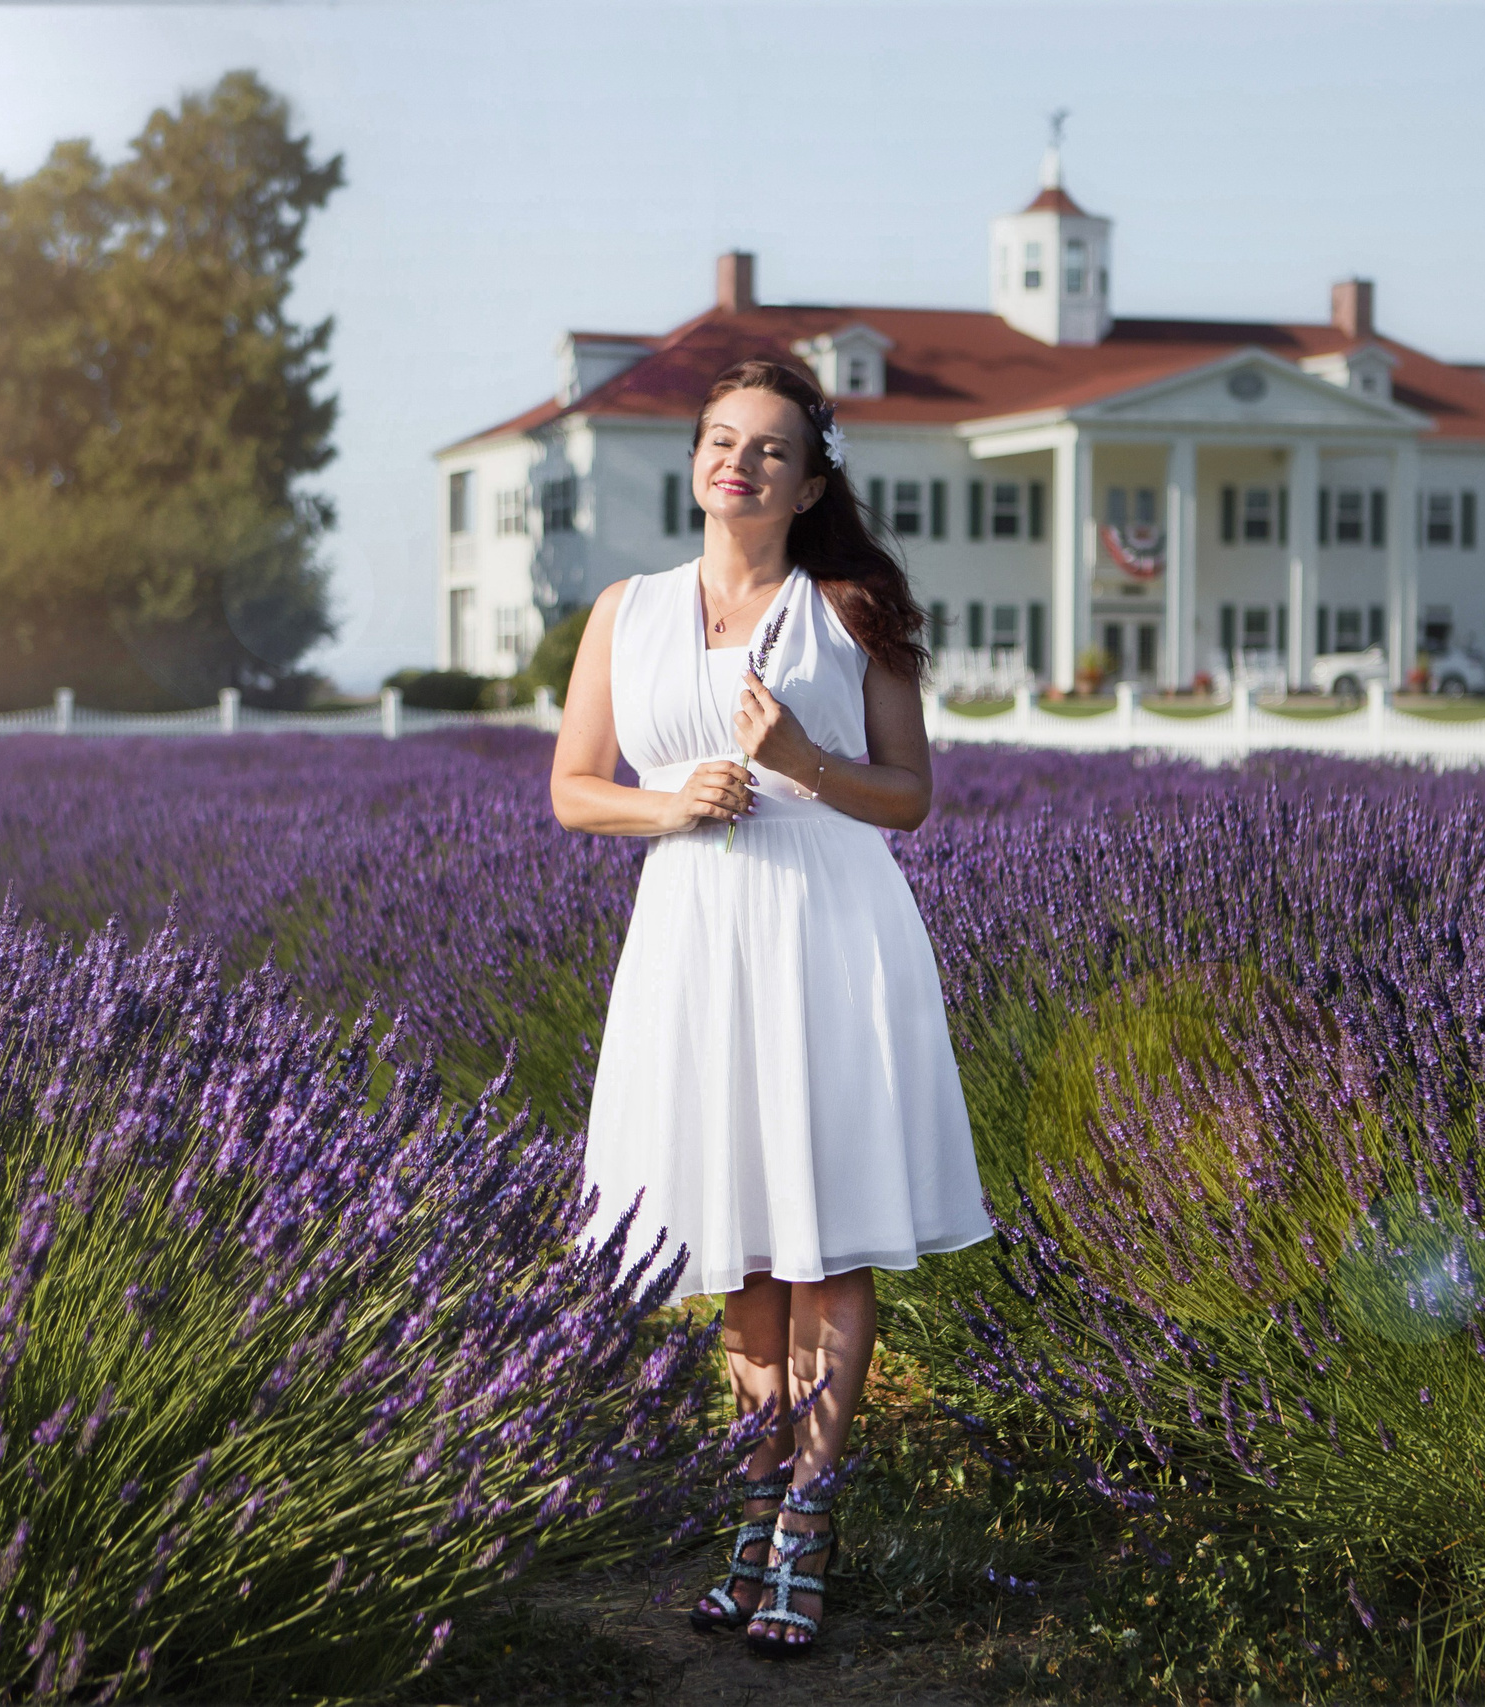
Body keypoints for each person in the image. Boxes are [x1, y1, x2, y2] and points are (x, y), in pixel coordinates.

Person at [549, 357, 993, 1659]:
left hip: (825, 930)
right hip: (689, 933)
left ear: (808, 484)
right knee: (737, 1249)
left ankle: (808, 1522)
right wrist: (669, 802)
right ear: (694, 462)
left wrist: (802, 762)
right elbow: (577, 788)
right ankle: (754, 1503)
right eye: (721, 441)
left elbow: (908, 796)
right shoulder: (623, 614)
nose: (738, 463)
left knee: (823, 1239)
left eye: (770, 449)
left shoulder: (851, 609)